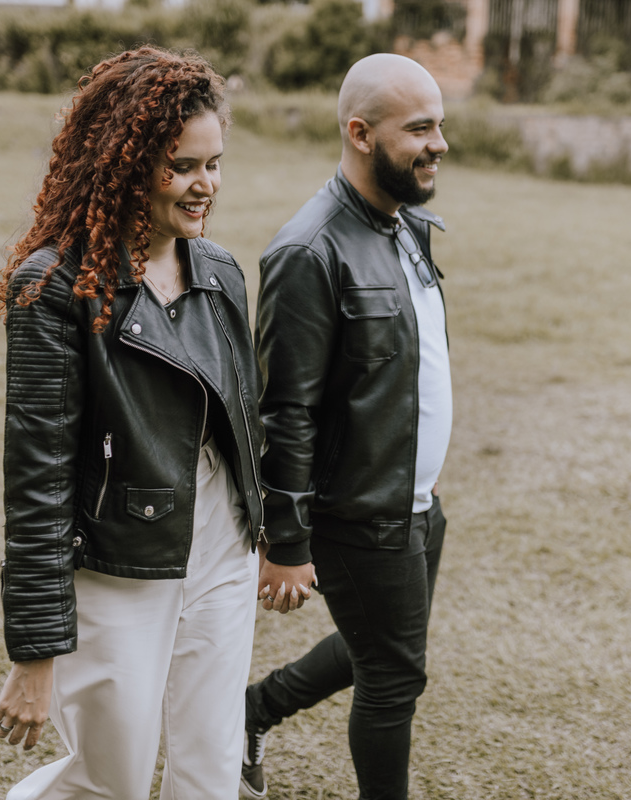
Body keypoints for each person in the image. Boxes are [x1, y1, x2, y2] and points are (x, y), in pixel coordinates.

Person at [0, 46, 293, 800]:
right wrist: (35, 650)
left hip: (221, 549)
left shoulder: (220, 272)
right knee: (109, 781)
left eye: (214, 164)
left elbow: (245, 423)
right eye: (182, 167)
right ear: (122, 165)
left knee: (211, 770)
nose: (205, 185)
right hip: (118, 563)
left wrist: (274, 534)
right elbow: (38, 481)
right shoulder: (53, 289)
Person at [242, 53, 452, 800]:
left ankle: (252, 711)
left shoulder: (406, 225)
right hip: (360, 512)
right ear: (361, 134)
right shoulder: (308, 250)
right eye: (419, 129)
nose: (439, 144)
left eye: (440, 126)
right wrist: (287, 541)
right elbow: (286, 410)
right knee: (393, 674)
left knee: (385, 646)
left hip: (415, 499)